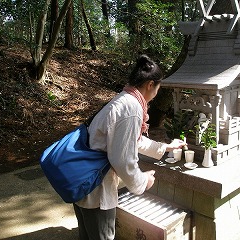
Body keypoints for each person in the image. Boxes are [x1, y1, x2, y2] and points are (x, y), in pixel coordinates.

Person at [73, 54, 186, 240]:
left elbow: (132, 140)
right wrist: (143, 181)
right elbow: (122, 159)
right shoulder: (131, 108)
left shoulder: (123, 99)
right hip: (96, 189)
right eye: (158, 88)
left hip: (82, 180)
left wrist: (165, 147)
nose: (157, 94)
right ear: (150, 84)